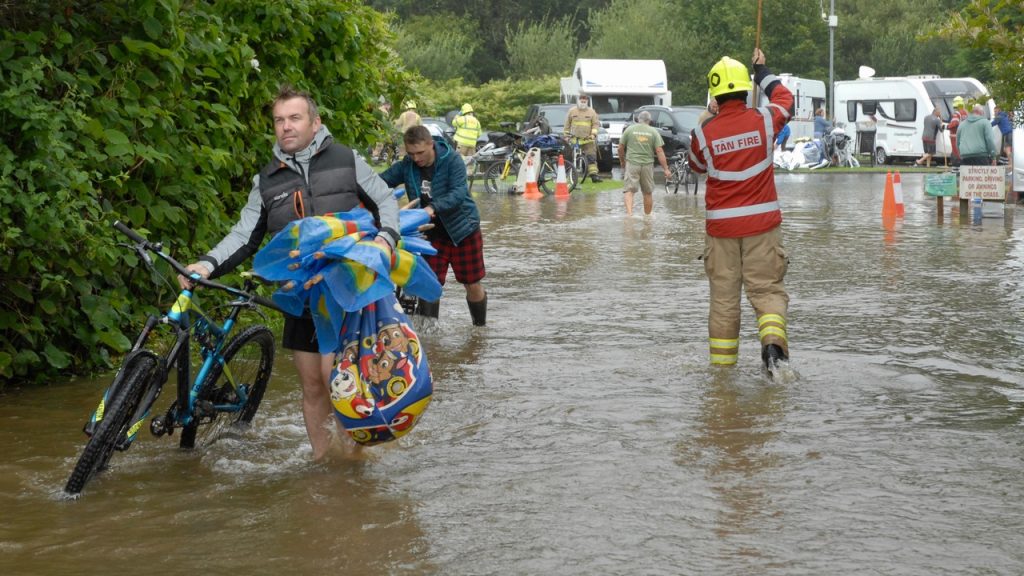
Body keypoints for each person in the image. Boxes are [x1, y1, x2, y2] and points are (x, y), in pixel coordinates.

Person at [179, 86, 402, 461]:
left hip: (350, 293)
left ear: (315, 122)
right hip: (300, 296)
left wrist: (386, 239)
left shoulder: (347, 160)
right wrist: (207, 264)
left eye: (295, 118)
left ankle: (352, 465)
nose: (286, 126)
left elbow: (384, 200)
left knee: (340, 383)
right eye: (279, 120)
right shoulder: (266, 181)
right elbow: (243, 236)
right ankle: (322, 462)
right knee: (313, 385)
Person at [688, 48, 794, 370]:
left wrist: (710, 122)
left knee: (723, 301)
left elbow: (696, 167)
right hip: (762, 227)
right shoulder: (764, 120)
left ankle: (722, 377)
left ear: (715, 95)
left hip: (721, 232)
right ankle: (773, 349)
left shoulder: (703, 132)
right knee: (767, 291)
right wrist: (762, 72)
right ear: (745, 89)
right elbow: (786, 100)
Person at [381, 125, 488, 326]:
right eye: (411, 153)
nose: (416, 158)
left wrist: (431, 208)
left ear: (431, 144)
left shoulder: (452, 160)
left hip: (462, 230)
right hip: (430, 235)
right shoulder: (407, 165)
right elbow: (381, 183)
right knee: (428, 284)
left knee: (472, 284)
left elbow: (458, 193)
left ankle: (480, 329)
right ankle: (430, 335)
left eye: (420, 153)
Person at [618, 110, 671, 216]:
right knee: (647, 192)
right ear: (649, 121)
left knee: (629, 190)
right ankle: (647, 217)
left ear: (638, 119)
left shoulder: (630, 129)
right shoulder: (653, 132)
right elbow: (659, 151)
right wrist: (666, 169)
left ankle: (629, 215)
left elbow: (620, 148)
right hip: (647, 165)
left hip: (632, 163)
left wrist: (622, 161)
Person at [563, 94, 602, 183]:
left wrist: (593, 134)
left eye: (585, 101)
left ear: (587, 102)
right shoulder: (572, 111)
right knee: (570, 157)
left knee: (591, 157)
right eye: (582, 101)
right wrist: (566, 136)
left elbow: (595, 124)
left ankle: (594, 176)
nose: (583, 103)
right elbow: (567, 124)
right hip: (574, 139)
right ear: (578, 101)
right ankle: (569, 174)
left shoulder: (592, 112)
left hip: (587, 140)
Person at [451, 103, 482, 174]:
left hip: (462, 143)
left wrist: (458, 115)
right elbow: (479, 134)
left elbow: (453, 123)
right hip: (472, 144)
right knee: (470, 160)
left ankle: (458, 174)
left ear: (463, 111)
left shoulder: (463, 119)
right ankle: (469, 174)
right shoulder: (476, 121)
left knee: (459, 158)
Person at [946, 96, 968, 166]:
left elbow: (954, 124)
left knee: (955, 152)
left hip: (955, 135)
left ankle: (956, 166)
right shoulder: (965, 113)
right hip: (964, 135)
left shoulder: (957, 113)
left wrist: (946, 126)